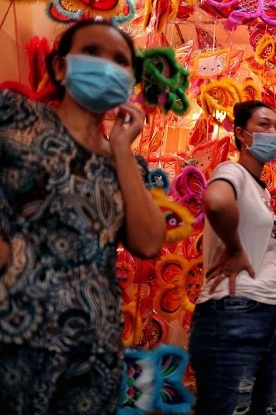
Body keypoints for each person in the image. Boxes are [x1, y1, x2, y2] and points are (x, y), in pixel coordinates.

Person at [0, 19, 167, 413]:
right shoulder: (18, 117)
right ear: (60, 67)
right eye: (92, 53)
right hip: (14, 337)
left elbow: (147, 243)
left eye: (120, 61)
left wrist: (123, 150)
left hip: (96, 347)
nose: (107, 65)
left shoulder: (129, 164)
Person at [188, 100, 276, 414]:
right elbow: (215, 201)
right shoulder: (232, 171)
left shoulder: (261, 191)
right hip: (235, 310)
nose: (274, 133)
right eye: (264, 125)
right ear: (242, 134)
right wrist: (234, 248)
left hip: (269, 313)